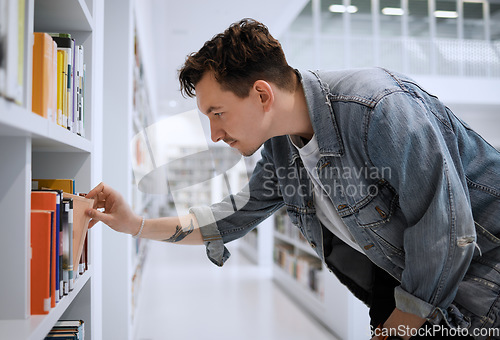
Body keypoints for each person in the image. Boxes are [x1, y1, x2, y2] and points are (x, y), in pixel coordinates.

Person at [86, 19, 500, 339]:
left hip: (483, 284)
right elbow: (231, 217)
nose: (214, 133)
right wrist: (133, 224)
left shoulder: (377, 107)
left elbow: (447, 233)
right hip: (407, 285)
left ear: (262, 95)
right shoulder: (283, 150)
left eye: (217, 113)